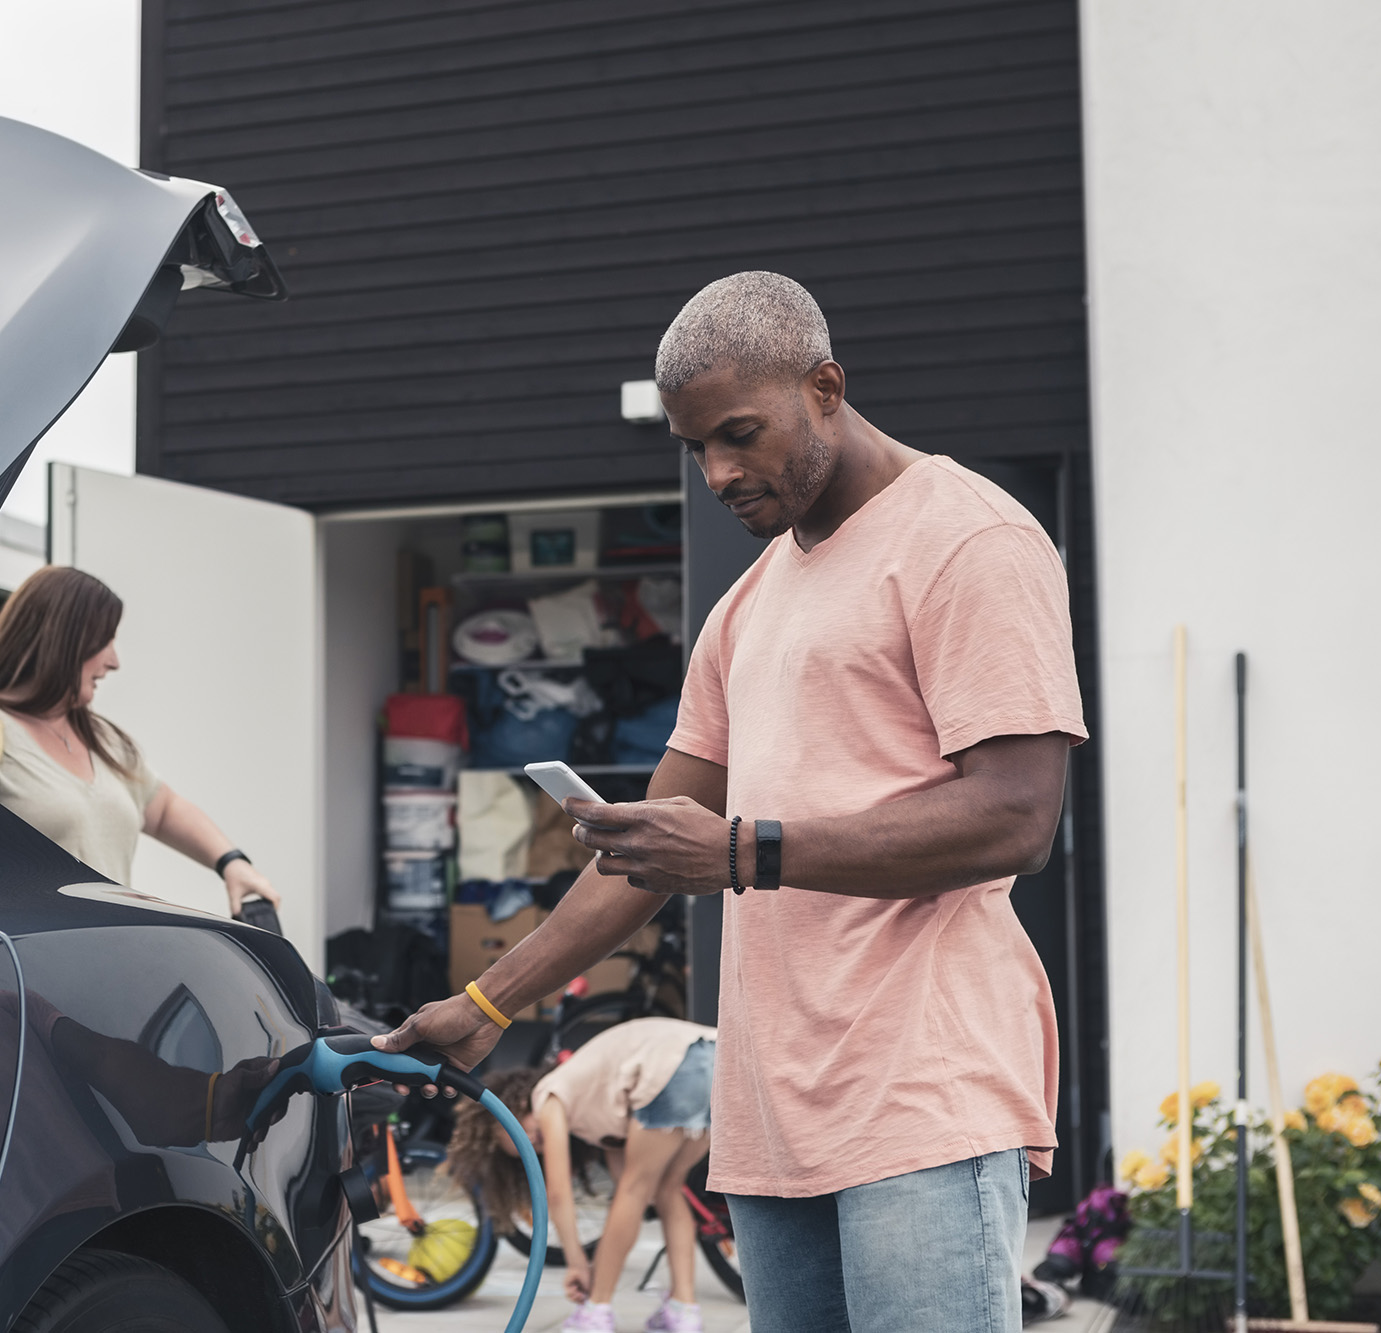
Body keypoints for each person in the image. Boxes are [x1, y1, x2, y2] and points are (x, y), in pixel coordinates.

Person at [380, 272, 1085, 1332]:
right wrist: (483, 1008)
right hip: (765, 1113)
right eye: (693, 446)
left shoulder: (966, 539)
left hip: (920, 1093)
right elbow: (641, 857)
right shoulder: (745, 606)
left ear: (825, 386)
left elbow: (1014, 815)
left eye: (739, 435)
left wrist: (744, 850)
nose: (717, 471)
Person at [0, 565, 282, 918]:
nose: (114, 661)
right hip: (31, 962)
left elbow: (163, 810)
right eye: (104, 641)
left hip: (110, 954)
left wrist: (232, 863)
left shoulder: (103, 739)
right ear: (61, 641)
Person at [446, 1019, 717, 1332]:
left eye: (527, 1136)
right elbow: (628, 1201)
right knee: (669, 1189)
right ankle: (683, 1310)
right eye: (529, 1151)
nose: (536, 1146)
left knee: (635, 1190)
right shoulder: (603, 1116)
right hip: (717, 1057)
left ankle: (596, 1312)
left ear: (519, 1105)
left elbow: (558, 1193)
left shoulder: (547, 1097)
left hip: (675, 1062)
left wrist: (576, 1263)